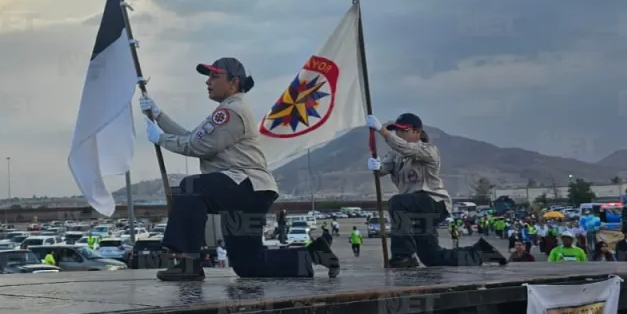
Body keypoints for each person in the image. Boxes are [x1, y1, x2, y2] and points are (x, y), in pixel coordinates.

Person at [141, 57, 339, 281]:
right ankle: (313, 254)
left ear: (234, 83)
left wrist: (161, 139)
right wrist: (159, 116)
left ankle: (189, 263)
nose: (208, 82)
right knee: (248, 264)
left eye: (215, 76)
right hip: (251, 191)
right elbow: (190, 137)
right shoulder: (227, 110)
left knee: (191, 187)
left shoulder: (230, 112)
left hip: (245, 185)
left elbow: (197, 146)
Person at [365, 113, 506, 268]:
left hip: (433, 202)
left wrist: (383, 131)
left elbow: (406, 148)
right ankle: (481, 252)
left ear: (417, 132)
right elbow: (383, 168)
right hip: (413, 209)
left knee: (396, 202)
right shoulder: (395, 156)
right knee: (431, 257)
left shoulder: (429, 150)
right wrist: (376, 167)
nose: (399, 134)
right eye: (396, 131)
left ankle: (403, 256)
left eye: (403, 131)